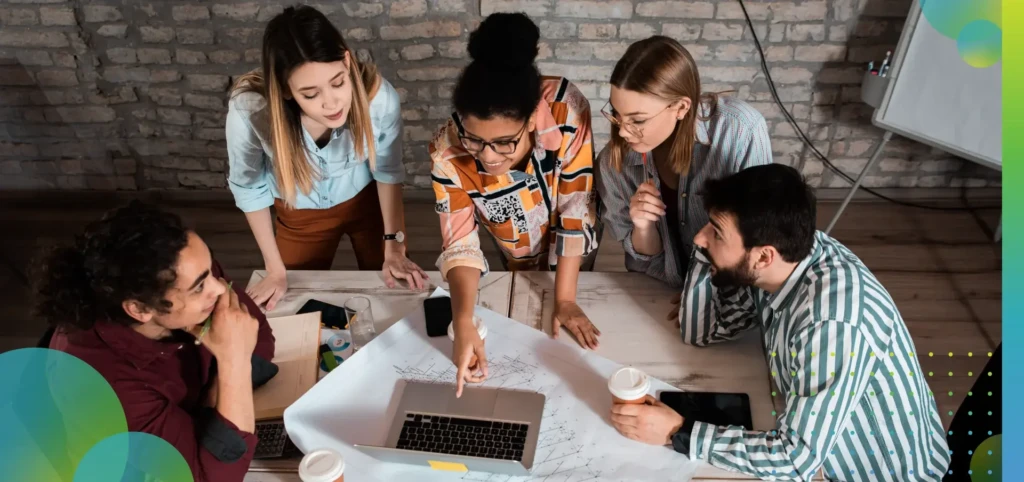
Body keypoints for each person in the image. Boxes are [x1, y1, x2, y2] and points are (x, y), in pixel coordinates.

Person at [609, 164, 951, 481]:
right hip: (820, 448)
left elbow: (796, 459)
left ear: (763, 256)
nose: (699, 238)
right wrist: (708, 253)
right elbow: (702, 332)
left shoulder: (829, 325)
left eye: (716, 233)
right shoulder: (781, 263)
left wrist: (678, 433)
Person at [38, 201, 277, 482]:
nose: (219, 287)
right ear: (140, 310)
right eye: (199, 286)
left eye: (211, 270)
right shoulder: (98, 385)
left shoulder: (186, 271)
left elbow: (259, 335)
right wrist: (233, 361)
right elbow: (214, 477)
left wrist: (215, 395)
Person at [429, 13, 600, 396]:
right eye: (474, 139)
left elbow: (575, 208)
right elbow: (460, 243)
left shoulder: (567, 109)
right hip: (513, 247)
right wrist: (463, 320)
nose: (488, 157)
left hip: (574, 247)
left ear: (533, 118)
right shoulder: (446, 153)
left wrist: (566, 299)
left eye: (505, 142)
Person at [226, 5, 427, 311]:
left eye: (338, 82)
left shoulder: (380, 99)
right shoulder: (249, 111)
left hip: (368, 203)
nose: (332, 103)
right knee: (289, 306)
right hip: (299, 215)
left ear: (347, 61)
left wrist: (395, 245)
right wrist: (274, 269)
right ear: (285, 89)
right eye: (310, 94)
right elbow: (249, 187)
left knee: (399, 297)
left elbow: (388, 170)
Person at [595, 36, 772, 320]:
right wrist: (643, 227)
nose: (624, 131)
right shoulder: (612, 162)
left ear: (680, 107)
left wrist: (707, 294)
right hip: (655, 290)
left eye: (637, 120)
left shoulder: (741, 130)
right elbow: (645, 262)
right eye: (617, 114)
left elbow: (759, 234)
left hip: (729, 289)